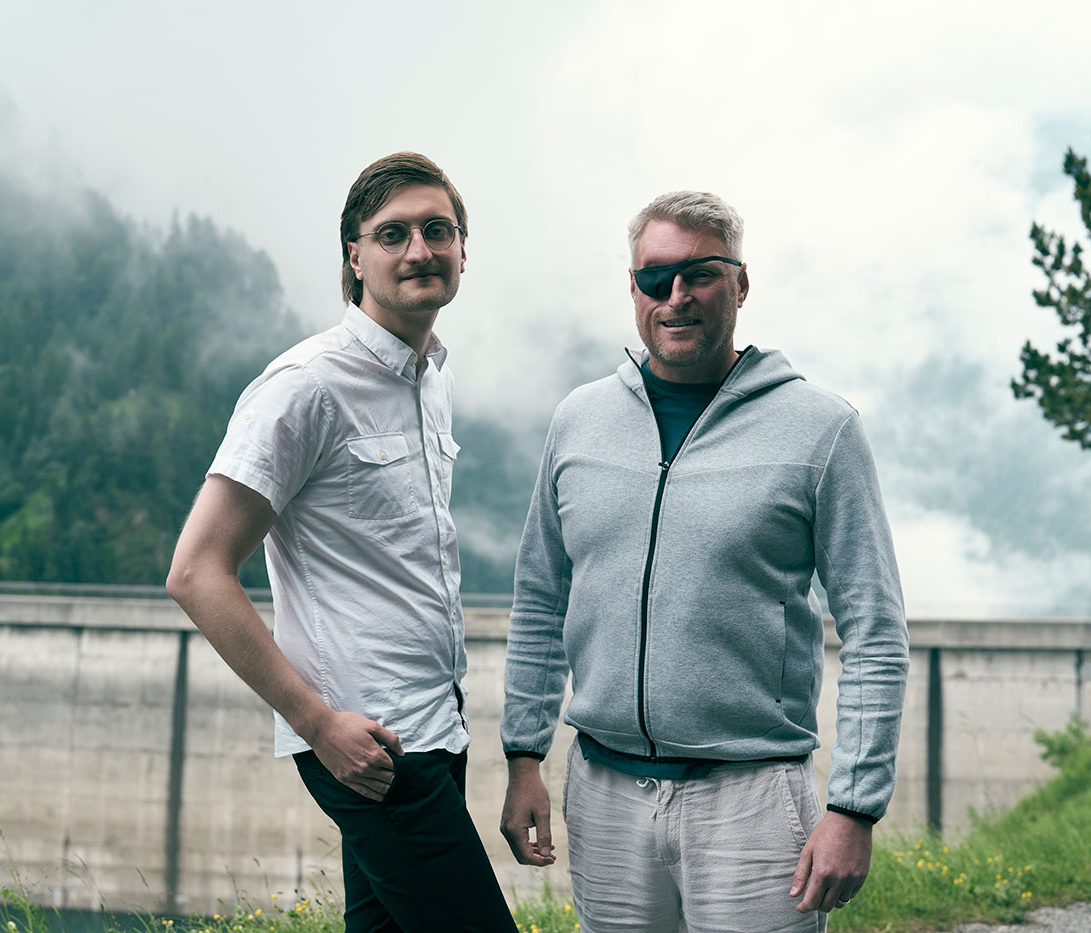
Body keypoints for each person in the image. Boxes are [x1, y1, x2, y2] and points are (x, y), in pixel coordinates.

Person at [498, 191, 910, 933]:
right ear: (633, 290)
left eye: (701, 274)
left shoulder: (821, 429)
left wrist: (854, 807)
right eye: (655, 278)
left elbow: (875, 630)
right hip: (605, 795)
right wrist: (524, 755)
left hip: (754, 802)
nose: (676, 296)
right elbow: (539, 600)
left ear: (741, 283)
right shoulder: (578, 421)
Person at [167, 152, 513, 933]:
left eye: (438, 230)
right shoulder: (305, 385)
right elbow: (196, 571)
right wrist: (318, 723)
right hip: (371, 745)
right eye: (393, 234)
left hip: (436, 725)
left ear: (463, 249)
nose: (419, 249)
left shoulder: (432, 378)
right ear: (355, 257)